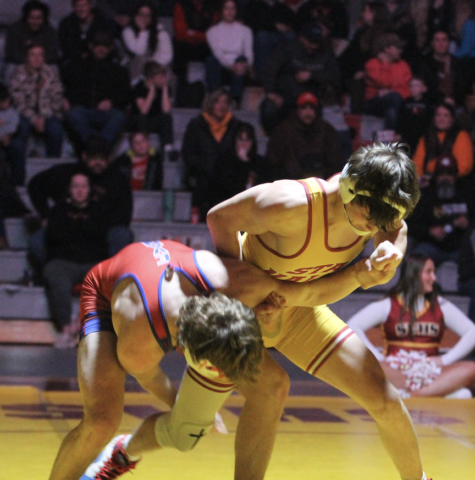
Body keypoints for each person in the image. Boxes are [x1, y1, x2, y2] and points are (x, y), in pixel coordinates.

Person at [48, 238, 389, 479]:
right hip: (108, 294)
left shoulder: (237, 281)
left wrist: (359, 275)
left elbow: (307, 293)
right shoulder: (138, 341)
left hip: (178, 287)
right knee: (102, 421)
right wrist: (182, 406)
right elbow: (149, 376)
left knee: (271, 385)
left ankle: (126, 453)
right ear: (190, 354)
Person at [208, 143, 432, 480]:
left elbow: (395, 227)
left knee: (384, 398)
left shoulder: (376, 208)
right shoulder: (291, 204)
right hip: (242, 312)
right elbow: (219, 218)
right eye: (370, 218)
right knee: (258, 395)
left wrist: (392, 251)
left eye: (381, 222)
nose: (374, 229)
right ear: (349, 187)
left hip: (297, 311)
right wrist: (238, 290)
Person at [347, 254, 475, 398]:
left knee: (472, 368)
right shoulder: (389, 304)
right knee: (367, 365)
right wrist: (378, 358)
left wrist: (445, 360)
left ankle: (411, 394)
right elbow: (352, 327)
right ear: (414, 274)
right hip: (396, 371)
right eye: (429, 272)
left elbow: (472, 332)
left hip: (430, 371)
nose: (434, 278)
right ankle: (435, 392)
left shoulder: (440, 305)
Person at [27, 136, 133, 275]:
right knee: (36, 240)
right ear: (84, 156)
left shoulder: (118, 180)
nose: (98, 163)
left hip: (100, 234)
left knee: (122, 234)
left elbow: (124, 216)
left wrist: (95, 226)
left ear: (109, 158)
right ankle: (49, 274)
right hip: (66, 230)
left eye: (102, 158)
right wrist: (45, 215)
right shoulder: (66, 173)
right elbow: (35, 185)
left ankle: (111, 276)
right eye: (93, 158)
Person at [43, 171, 109, 348]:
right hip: (64, 261)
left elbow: (99, 236)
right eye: (76, 186)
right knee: (55, 274)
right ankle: (66, 329)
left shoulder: (100, 210)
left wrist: (74, 229)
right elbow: (55, 236)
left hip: (93, 261)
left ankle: (82, 326)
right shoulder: (58, 210)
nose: (80, 190)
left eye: (84, 186)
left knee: (107, 279)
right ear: (70, 189)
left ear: (90, 189)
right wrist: (83, 231)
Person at [259, 21, 340, 135]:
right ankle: (274, 138)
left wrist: (312, 76)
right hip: (285, 95)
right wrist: (270, 92)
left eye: (316, 42)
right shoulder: (288, 47)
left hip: (311, 98)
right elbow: (270, 68)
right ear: (302, 38)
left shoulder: (326, 53)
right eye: (310, 42)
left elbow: (334, 76)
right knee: (268, 108)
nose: (313, 46)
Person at [61, 29, 131, 151]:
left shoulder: (119, 71)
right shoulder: (76, 66)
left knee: (119, 117)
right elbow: (64, 86)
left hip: (108, 112)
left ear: (110, 48)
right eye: (98, 45)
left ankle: (98, 145)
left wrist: (111, 102)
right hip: (83, 109)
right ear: (91, 46)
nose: (101, 49)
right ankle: (95, 143)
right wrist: (65, 98)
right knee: (73, 114)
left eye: (105, 46)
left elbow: (126, 94)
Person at [182, 88, 242, 222]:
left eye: (225, 102)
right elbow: (189, 154)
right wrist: (208, 167)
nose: (221, 106)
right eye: (217, 102)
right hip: (203, 177)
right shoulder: (196, 125)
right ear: (210, 103)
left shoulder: (236, 126)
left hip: (228, 180)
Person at [407, 154, 474, 267]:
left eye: (449, 174)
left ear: (455, 176)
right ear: (436, 176)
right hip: (433, 246)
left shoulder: (467, 194)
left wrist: (468, 224)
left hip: (460, 248)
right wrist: (429, 231)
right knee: (415, 260)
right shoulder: (426, 195)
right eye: (441, 174)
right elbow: (410, 224)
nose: (445, 178)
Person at [265, 91, 345, 180]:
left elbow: (336, 161)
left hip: (321, 182)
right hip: (291, 182)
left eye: (312, 108)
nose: (308, 112)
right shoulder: (283, 131)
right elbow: (273, 162)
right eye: (304, 107)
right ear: (297, 110)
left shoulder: (327, 131)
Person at [8, 43, 64, 159]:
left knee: (56, 129)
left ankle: (53, 164)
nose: (37, 58)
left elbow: (57, 98)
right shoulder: (18, 73)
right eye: (33, 55)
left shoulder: (51, 73)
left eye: (40, 55)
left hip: (48, 113)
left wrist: (43, 116)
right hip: (25, 113)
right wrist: (35, 118)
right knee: (21, 127)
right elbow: (18, 102)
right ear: (27, 57)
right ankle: (18, 162)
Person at [205, 0, 253, 103]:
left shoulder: (246, 31)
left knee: (241, 60)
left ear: (236, 11)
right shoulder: (212, 32)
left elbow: (249, 54)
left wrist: (243, 65)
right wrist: (231, 66)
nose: (229, 12)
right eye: (226, 8)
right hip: (221, 68)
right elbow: (218, 54)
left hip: (239, 69)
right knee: (211, 60)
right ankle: (216, 98)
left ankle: (234, 100)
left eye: (232, 8)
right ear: (222, 11)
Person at [412, 101, 474, 179]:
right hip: (428, 180)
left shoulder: (461, 135)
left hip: (455, 181)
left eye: (446, 115)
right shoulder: (426, 137)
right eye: (438, 115)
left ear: (452, 119)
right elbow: (417, 163)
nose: (441, 119)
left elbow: (464, 167)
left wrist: (436, 168)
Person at [363, 32, 412, 131]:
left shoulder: (403, 65)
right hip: (375, 102)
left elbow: (407, 90)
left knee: (392, 110)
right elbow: (384, 82)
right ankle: (390, 137)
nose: (401, 50)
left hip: (397, 101)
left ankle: (388, 137)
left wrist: (391, 91)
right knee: (393, 99)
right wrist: (385, 64)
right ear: (386, 49)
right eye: (397, 48)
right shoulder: (372, 64)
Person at [121, 1, 173, 84]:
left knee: (168, 74)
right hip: (136, 65)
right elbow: (139, 52)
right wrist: (143, 31)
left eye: (148, 15)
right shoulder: (128, 31)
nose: (144, 18)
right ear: (135, 15)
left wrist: (153, 68)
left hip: (157, 66)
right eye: (141, 14)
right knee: (140, 60)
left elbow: (167, 55)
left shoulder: (160, 30)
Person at [4, 0, 59, 77]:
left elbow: (53, 54)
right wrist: (30, 62)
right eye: (31, 18)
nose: (35, 21)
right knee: (10, 68)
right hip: (20, 63)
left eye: (38, 18)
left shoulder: (50, 32)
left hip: (43, 64)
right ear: (26, 17)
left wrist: (38, 62)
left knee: (54, 68)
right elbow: (12, 53)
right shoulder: (15, 30)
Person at [129, 61, 173, 152]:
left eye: (164, 76)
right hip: (138, 122)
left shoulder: (165, 88)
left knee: (167, 118)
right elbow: (143, 111)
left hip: (155, 120)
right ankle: (143, 147)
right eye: (160, 77)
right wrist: (151, 91)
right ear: (150, 78)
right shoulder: (139, 87)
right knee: (142, 118)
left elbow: (166, 110)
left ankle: (168, 148)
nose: (164, 79)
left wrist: (165, 88)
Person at [58, 0, 115, 66]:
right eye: (78, 6)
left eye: (84, 5)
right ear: (74, 7)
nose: (81, 9)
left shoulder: (102, 22)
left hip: (100, 61)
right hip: (75, 62)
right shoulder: (66, 24)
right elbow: (65, 46)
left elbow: (107, 44)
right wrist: (79, 55)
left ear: (90, 6)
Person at [418, 29, 466, 106]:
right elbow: (424, 88)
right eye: (437, 40)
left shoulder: (457, 64)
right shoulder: (425, 63)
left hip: (455, 103)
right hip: (433, 104)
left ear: (448, 43)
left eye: (444, 40)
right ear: (432, 43)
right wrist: (441, 99)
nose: (441, 44)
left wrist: (454, 100)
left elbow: (462, 87)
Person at [395, 76, 432, 153]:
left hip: (422, 135)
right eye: (411, 86)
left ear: (424, 88)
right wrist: (398, 133)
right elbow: (400, 119)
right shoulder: (406, 102)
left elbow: (429, 120)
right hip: (407, 136)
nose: (414, 88)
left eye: (417, 86)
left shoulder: (428, 103)